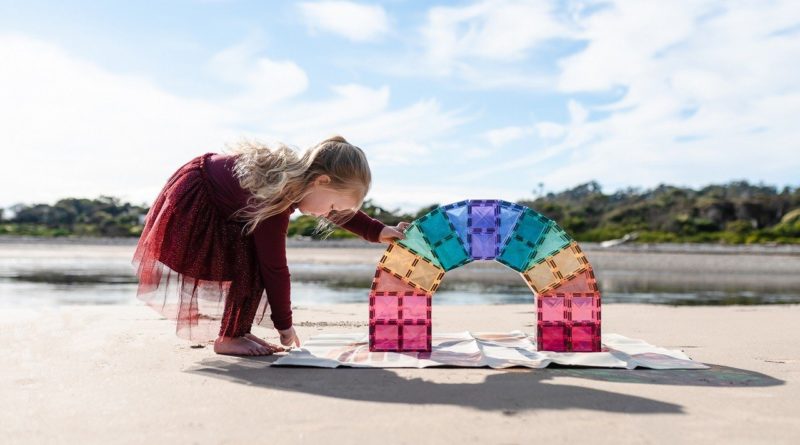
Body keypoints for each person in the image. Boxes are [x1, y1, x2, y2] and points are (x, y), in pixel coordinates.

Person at [131, 135, 410, 356]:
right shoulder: (274, 198)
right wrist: (285, 325)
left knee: (250, 263)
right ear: (321, 180)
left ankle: (235, 331)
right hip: (199, 202)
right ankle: (230, 337)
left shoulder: (301, 181)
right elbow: (275, 267)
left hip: (216, 196)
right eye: (333, 205)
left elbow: (342, 213)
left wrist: (378, 231)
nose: (330, 213)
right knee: (254, 263)